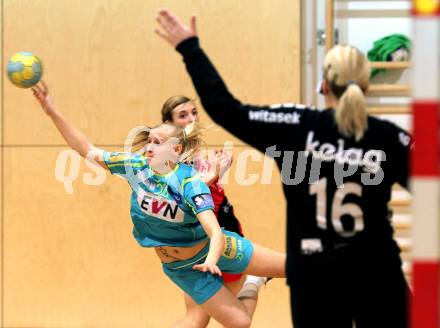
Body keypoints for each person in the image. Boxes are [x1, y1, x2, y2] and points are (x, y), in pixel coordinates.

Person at [155, 9, 412, 328]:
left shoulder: (295, 125)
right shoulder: (391, 138)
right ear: (366, 85)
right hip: (377, 271)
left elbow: (225, 108)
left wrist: (190, 47)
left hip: (315, 274)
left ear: (324, 86)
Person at [31, 82, 286, 328]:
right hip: (181, 268)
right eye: (149, 141)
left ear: (175, 149)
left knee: (290, 267)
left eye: (157, 142)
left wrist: (210, 260)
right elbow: (85, 148)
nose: (149, 147)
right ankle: (253, 281)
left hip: (209, 250)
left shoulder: (189, 181)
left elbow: (215, 231)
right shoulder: (135, 168)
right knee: (239, 323)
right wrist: (52, 111)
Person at [160, 96, 266, 327]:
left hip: (222, 230)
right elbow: (181, 196)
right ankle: (254, 282)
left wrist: (219, 170)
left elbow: (206, 194)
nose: (192, 119)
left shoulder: (195, 153)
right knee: (199, 320)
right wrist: (215, 173)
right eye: (183, 115)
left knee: (214, 320)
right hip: (196, 240)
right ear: (168, 123)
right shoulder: (170, 157)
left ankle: (254, 281)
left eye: (194, 112)